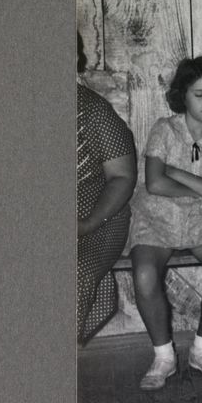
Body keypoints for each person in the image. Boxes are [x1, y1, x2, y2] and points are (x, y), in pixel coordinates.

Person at [127, 55, 202, 389]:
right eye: (198, 94)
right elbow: (155, 185)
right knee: (145, 274)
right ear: (183, 96)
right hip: (155, 218)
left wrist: (176, 172)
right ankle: (164, 356)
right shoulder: (164, 129)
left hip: (199, 220)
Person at [77, 33, 137, 344]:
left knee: (77, 272)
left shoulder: (95, 112)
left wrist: (86, 223)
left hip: (99, 216)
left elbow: (122, 179)